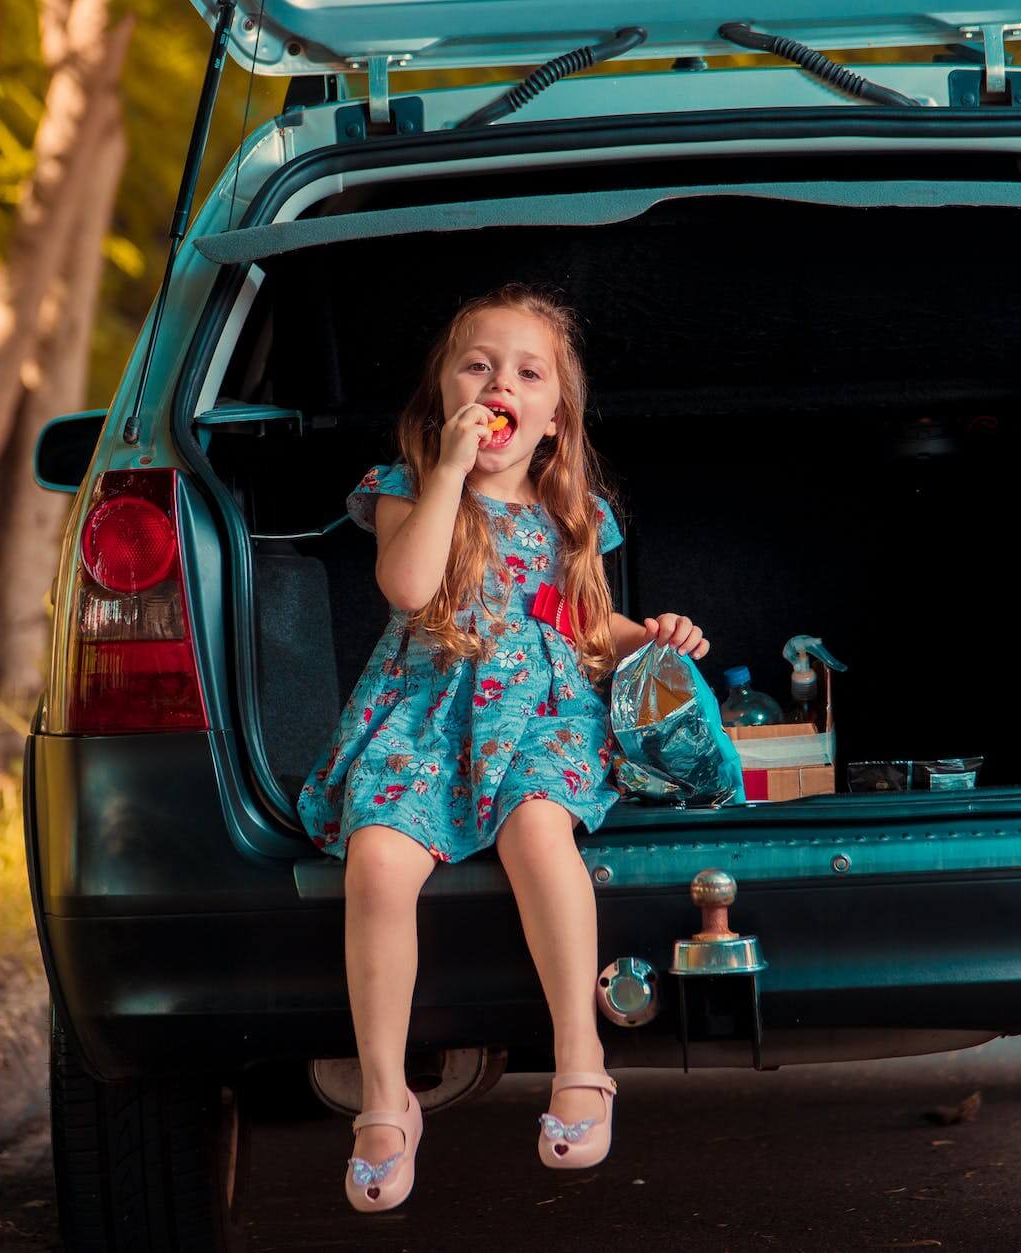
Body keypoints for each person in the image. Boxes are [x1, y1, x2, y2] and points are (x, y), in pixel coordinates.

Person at [297, 283, 711, 1212]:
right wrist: (447, 470)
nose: (499, 383)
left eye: (528, 373)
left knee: (537, 830)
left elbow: (586, 626)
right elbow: (408, 588)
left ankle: (580, 1056)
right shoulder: (404, 488)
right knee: (376, 861)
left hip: (542, 715)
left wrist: (654, 636)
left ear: (554, 421)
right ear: (443, 393)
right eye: (477, 365)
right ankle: (384, 1094)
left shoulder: (573, 517)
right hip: (429, 714)